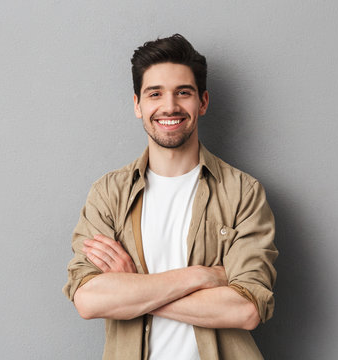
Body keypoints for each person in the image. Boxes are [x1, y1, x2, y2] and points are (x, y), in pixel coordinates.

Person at [63, 34, 277, 360]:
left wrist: (133, 287)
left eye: (183, 92)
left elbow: (246, 309)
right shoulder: (108, 194)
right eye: (155, 93)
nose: (170, 106)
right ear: (138, 105)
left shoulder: (242, 193)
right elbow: (89, 300)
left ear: (202, 102)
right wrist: (202, 276)